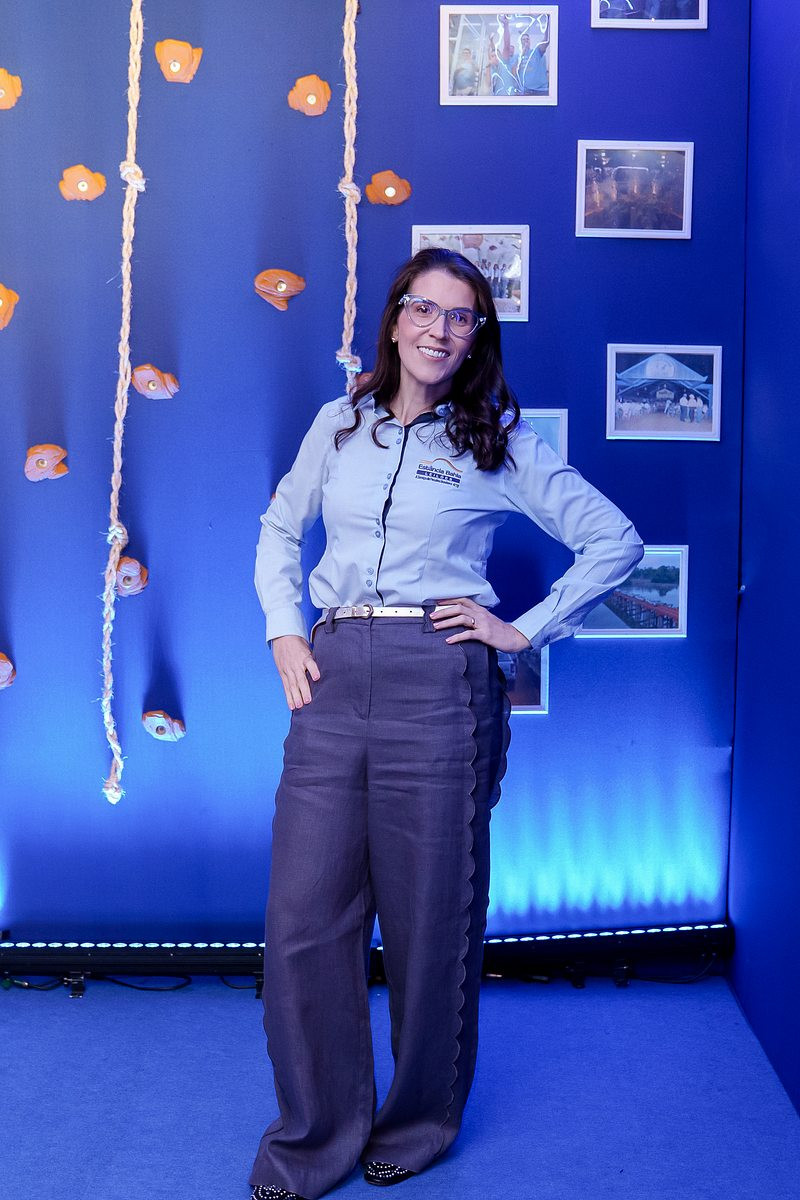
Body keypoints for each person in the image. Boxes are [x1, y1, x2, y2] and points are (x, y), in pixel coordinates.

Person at [249, 248, 644, 1200]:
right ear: (394, 320)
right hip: (333, 675)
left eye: (461, 317)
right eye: (424, 309)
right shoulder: (338, 423)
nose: (439, 329)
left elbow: (614, 540)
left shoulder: (497, 440)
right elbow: (279, 528)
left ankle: (418, 1124)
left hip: (440, 685)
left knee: (432, 921)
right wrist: (284, 629)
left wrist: (523, 629)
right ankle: (312, 1142)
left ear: (476, 338)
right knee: (303, 921)